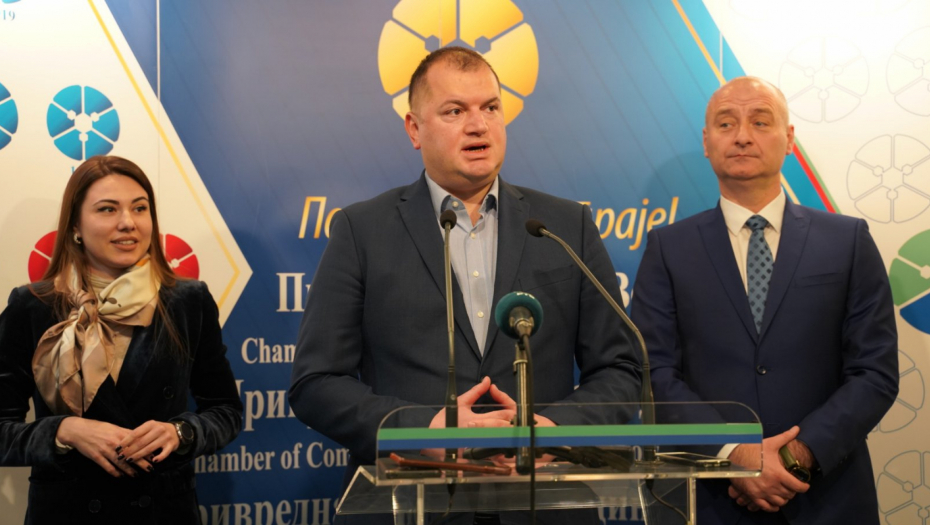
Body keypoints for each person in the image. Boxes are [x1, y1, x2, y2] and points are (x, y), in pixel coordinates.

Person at [288, 47, 642, 524]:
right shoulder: (362, 230)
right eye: (455, 111)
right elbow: (316, 383)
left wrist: (555, 430)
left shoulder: (564, 225)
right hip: (411, 504)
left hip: (542, 503)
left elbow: (621, 369)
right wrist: (421, 430)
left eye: (490, 107)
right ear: (415, 129)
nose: (478, 125)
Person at [631, 76, 898, 524]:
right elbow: (651, 373)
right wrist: (735, 453)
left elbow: (875, 372)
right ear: (706, 142)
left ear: (789, 139)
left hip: (826, 497)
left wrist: (796, 457)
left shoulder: (847, 241)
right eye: (726, 123)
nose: (742, 136)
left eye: (760, 121)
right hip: (709, 500)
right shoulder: (668, 248)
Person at [0, 155, 243, 524]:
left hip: (162, 511)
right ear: (76, 225)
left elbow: (226, 412)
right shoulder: (33, 306)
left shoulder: (187, 302)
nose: (128, 222)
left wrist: (181, 432)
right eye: (108, 209)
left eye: (140, 208)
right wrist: (64, 431)